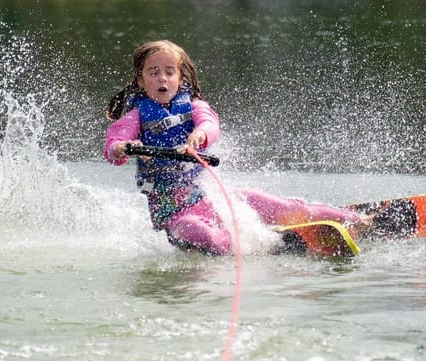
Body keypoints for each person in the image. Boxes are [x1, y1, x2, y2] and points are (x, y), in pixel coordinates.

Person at [104, 39, 365, 255]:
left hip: (211, 197)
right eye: (153, 72)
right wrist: (123, 147)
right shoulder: (135, 118)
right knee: (204, 236)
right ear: (141, 81)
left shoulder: (194, 107)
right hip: (176, 215)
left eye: (169, 72)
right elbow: (113, 144)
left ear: (180, 77)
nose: (162, 77)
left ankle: (357, 220)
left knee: (288, 210)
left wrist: (199, 135)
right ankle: (260, 243)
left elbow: (210, 123)